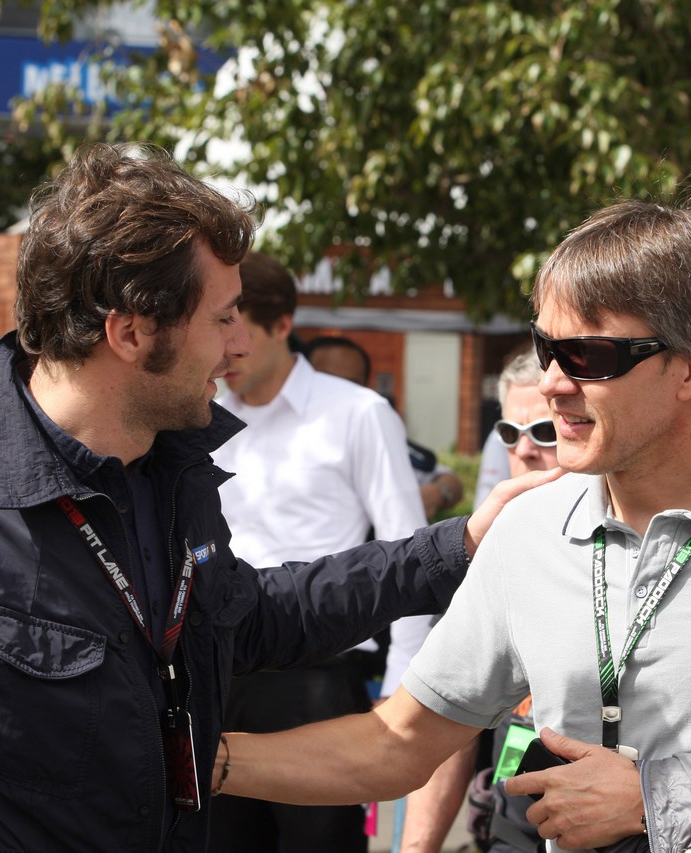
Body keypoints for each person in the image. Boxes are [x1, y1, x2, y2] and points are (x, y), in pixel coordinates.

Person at [0, 142, 549, 853]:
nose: (237, 346)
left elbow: (256, 616)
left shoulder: (167, 476)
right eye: (222, 318)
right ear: (131, 332)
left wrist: (459, 546)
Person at [215, 198, 691, 852]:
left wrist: (655, 796)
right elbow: (396, 741)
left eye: (588, 356)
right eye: (548, 347)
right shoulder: (532, 526)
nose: (552, 380)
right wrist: (191, 761)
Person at [208, 255, 434, 853]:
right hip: (217, 670)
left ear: (282, 324)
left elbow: (409, 553)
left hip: (317, 676)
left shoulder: (357, 413)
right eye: (217, 329)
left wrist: (404, 685)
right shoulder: (201, 420)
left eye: (241, 331)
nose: (227, 351)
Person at [397, 345, 558, 853]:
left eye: (545, 433)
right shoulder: (492, 549)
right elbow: (448, 723)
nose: (525, 450)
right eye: (510, 434)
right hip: (510, 823)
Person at [306, 334, 465, 519]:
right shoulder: (280, 438)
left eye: (351, 385)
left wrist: (438, 493)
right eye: (328, 382)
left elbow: (449, 480)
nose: (340, 393)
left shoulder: (373, 437)